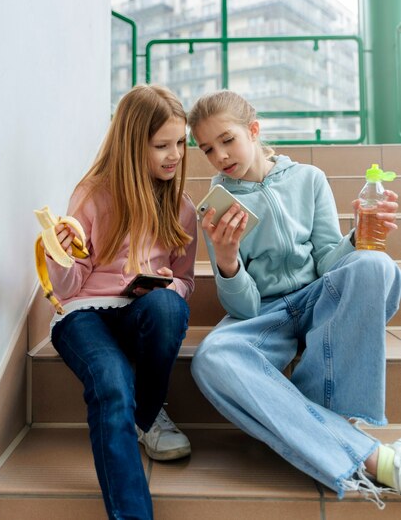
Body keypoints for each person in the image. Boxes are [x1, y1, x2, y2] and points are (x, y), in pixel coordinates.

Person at [188, 89, 401, 508]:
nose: (220, 156)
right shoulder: (215, 207)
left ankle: (316, 419)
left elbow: (327, 263)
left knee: (376, 265)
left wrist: (359, 236)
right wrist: (228, 262)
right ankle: (370, 454)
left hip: (317, 296)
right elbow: (242, 309)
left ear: (253, 130)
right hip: (264, 313)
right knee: (211, 358)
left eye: (227, 140)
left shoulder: (309, 179)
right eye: (207, 149)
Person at [44, 85, 197, 520]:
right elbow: (69, 287)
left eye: (180, 143)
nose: (175, 154)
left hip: (142, 311)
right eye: (162, 145)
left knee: (168, 308)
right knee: (110, 383)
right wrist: (59, 254)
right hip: (82, 316)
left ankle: (144, 417)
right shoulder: (93, 194)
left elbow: (187, 282)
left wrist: (169, 287)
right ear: (133, 144)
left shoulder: (182, 207)